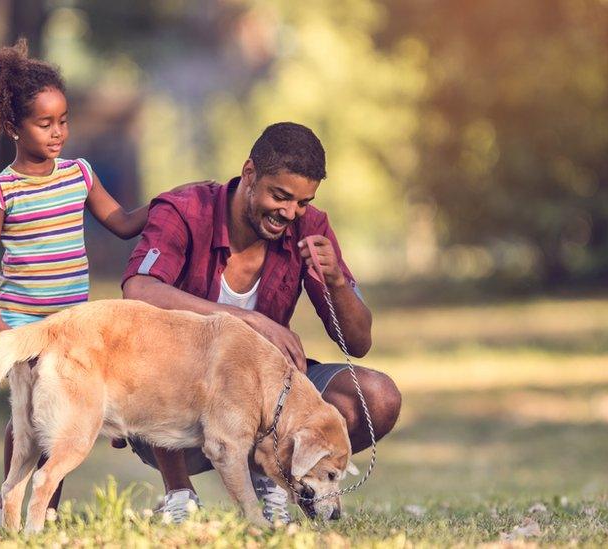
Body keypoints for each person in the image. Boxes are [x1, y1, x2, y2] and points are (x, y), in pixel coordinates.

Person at [0, 39, 203, 529]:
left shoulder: (79, 174)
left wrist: (169, 203)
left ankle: (44, 509)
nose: (58, 133)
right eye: (44, 123)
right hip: (25, 322)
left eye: (63, 121)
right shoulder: (0, 189)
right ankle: (7, 501)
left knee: (62, 417)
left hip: (75, 324)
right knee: (26, 417)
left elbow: (121, 221)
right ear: (13, 127)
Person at [121, 122, 402, 524]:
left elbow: (359, 341)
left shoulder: (310, 226)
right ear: (250, 174)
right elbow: (138, 290)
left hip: (268, 399)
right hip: (172, 406)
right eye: (281, 196)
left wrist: (336, 280)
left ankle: (276, 474)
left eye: (302, 202)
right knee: (178, 369)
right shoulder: (185, 210)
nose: (290, 213)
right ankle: (179, 493)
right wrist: (249, 321)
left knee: (378, 397)